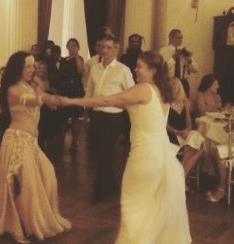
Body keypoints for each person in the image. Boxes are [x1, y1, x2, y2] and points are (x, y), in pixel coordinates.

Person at [60, 51, 191, 243]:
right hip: (160, 154)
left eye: (140, 66)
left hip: (145, 156)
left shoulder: (143, 89)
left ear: (153, 70)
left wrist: (71, 101)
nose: (135, 69)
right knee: (151, 208)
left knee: (133, 206)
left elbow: (107, 100)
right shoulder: (160, 90)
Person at [0, 51, 71, 243]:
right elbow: (34, 100)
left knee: (48, 175)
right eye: (28, 66)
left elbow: (42, 99)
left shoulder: (29, 86)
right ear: (18, 68)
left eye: (32, 66)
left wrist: (58, 100)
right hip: (17, 141)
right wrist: (48, 99)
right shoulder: (12, 89)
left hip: (31, 142)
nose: (32, 69)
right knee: (27, 186)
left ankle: (28, 221)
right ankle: (20, 224)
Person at [85, 35, 134, 203]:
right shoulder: (94, 69)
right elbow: (89, 93)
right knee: (99, 151)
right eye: (102, 47)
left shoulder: (123, 70)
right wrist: (86, 114)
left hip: (113, 117)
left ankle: (98, 189)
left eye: (108, 47)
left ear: (116, 48)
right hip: (96, 115)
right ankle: (112, 184)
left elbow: (131, 94)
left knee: (104, 152)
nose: (104, 51)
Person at [167, 77, 204, 187]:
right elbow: (164, 124)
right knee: (195, 142)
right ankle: (182, 181)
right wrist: (177, 132)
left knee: (201, 144)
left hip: (184, 134)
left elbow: (189, 124)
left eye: (176, 84)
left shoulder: (185, 102)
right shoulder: (165, 102)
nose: (174, 85)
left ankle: (180, 178)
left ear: (180, 87)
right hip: (172, 134)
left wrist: (187, 130)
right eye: (171, 84)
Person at [58, 38, 85, 153]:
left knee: (75, 118)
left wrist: (76, 56)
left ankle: (74, 143)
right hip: (64, 90)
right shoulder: (63, 60)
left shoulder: (80, 59)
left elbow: (80, 71)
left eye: (74, 45)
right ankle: (62, 140)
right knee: (63, 118)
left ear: (78, 47)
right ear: (67, 47)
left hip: (76, 91)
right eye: (70, 45)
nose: (72, 47)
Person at [160, 29, 198, 97]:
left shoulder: (186, 51)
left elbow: (195, 70)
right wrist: (174, 57)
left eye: (181, 38)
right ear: (171, 38)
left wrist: (189, 60)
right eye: (178, 38)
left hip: (183, 83)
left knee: (184, 104)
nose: (181, 40)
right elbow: (162, 68)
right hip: (169, 82)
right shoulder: (163, 51)